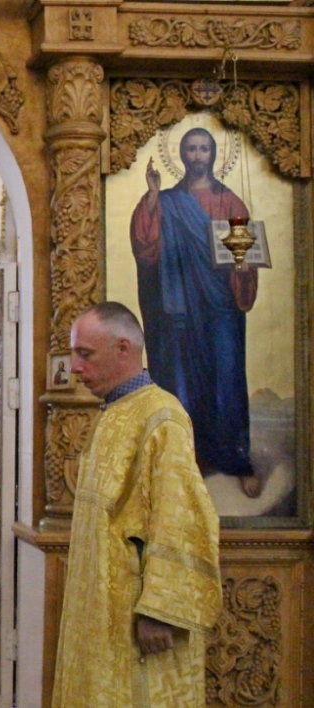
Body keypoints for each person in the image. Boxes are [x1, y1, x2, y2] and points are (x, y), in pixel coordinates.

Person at [52, 302, 222, 708]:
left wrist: (159, 610)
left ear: (123, 348)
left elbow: (180, 517)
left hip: (138, 618)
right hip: (102, 609)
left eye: (85, 354)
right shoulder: (114, 412)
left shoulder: (162, 417)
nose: (75, 367)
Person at [130, 127, 260, 497]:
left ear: (214, 154)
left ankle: (235, 458)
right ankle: (183, 458)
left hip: (220, 306)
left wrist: (242, 265)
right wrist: (152, 196)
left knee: (226, 374)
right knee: (179, 377)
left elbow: (245, 256)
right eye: (191, 149)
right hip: (179, 307)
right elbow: (145, 246)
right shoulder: (166, 201)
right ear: (182, 155)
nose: (198, 155)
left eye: (204, 148)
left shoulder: (231, 203)